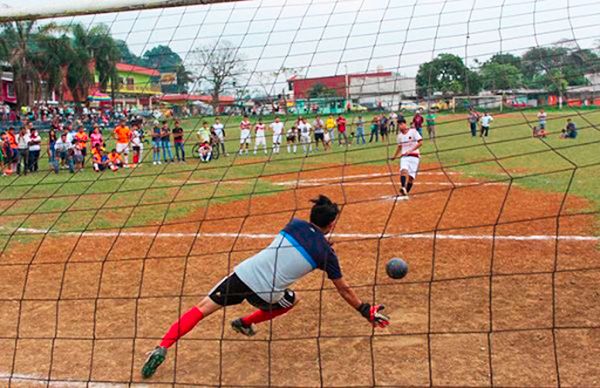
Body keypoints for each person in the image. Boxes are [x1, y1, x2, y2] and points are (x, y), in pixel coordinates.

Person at [141, 195, 391, 379]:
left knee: (202, 308)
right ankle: (246, 322)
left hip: (243, 275)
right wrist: (364, 310)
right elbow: (344, 289)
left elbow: (307, 238)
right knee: (291, 300)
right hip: (267, 294)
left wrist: (322, 243)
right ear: (333, 223)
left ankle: (162, 347)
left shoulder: (294, 224)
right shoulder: (326, 254)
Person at [391, 121, 423, 198]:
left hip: (414, 156)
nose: (400, 126)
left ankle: (405, 192)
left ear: (405, 124)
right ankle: (402, 187)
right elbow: (399, 147)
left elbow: (420, 142)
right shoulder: (399, 136)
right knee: (403, 170)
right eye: (398, 125)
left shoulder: (413, 132)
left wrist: (411, 150)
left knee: (411, 178)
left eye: (401, 124)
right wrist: (394, 156)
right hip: (404, 157)